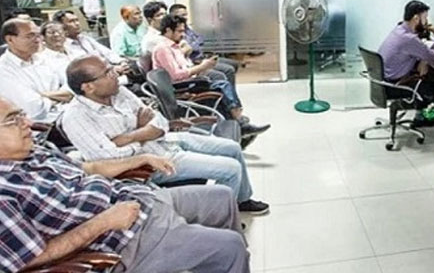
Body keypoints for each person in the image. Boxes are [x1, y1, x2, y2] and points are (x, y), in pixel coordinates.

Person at [0, 97, 250, 273]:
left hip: (135, 198)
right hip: (121, 238)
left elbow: (89, 167)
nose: (28, 123)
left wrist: (140, 159)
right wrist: (104, 222)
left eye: (22, 115)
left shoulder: (35, 151)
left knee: (222, 197)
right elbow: (29, 259)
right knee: (230, 247)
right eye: (12, 121)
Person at [61, 55, 270, 214]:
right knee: (231, 169)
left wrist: (129, 137)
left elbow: (159, 121)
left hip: (165, 140)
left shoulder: (118, 92)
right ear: (88, 87)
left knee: (233, 148)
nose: (115, 74)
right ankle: (220, 218)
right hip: (151, 163)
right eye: (107, 73)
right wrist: (143, 132)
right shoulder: (76, 117)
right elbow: (108, 158)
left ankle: (241, 200)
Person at [152, 15, 270, 138]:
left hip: (190, 81)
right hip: (181, 88)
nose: (183, 35)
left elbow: (184, 67)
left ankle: (238, 123)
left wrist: (202, 68)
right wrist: (202, 67)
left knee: (220, 80)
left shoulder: (173, 47)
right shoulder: (163, 49)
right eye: (180, 31)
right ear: (168, 30)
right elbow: (176, 76)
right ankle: (239, 121)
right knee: (221, 85)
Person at [0, 19, 73, 122]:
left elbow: (73, 88)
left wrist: (42, 95)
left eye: (38, 35)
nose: (37, 40)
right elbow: (34, 109)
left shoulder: (45, 59)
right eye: (29, 36)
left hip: (68, 114)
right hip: (40, 125)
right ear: (10, 39)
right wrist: (61, 97)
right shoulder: (4, 70)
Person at [378, 0, 434, 107]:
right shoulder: (409, 39)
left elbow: (415, 50)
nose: (426, 22)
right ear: (416, 18)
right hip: (396, 85)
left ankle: (420, 109)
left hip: (385, 81)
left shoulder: (399, 29)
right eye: (425, 18)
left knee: (426, 69)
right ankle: (424, 114)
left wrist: (424, 59)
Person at [169, 3, 240, 84]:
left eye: (186, 14)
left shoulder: (187, 28)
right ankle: (226, 90)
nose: (185, 17)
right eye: (182, 15)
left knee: (234, 64)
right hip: (195, 61)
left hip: (202, 56)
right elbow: (188, 48)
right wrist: (193, 45)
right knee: (228, 70)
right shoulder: (176, 31)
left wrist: (192, 45)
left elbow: (200, 39)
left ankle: (229, 88)